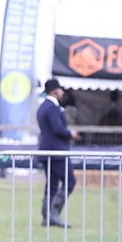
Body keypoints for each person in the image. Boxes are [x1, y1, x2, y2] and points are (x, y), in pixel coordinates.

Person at [37, 78, 78, 228]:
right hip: (57, 151)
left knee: (52, 184)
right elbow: (57, 129)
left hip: (47, 150)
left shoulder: (43, 107)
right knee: (70, 181)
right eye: (60, 89)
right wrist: (70, 133)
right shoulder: (53, 108)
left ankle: (46, 216)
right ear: (55, 91)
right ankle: (54, 214)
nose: (62, 92)